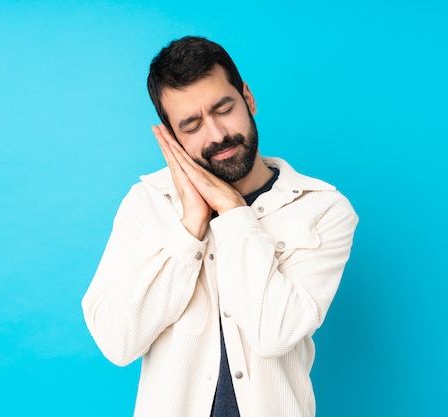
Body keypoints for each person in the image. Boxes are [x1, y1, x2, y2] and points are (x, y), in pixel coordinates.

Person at [82, 36, 358, 417]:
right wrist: (190, 227)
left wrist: (231, 210)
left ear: (248, 98)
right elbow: (117, 341)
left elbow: (274, 333)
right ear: (172, 137)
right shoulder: (146, 205)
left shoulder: (323, 209)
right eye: (191, 125)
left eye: (224, 109)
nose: (216, 136)